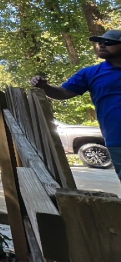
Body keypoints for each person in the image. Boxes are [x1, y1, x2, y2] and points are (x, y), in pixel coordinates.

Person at [30, 30, 121, 181]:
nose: (102, 45)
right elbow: (63, 93)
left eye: (109, 42)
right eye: (100, 42)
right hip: (117, 140)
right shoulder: (90, 73)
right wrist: (45, 87)